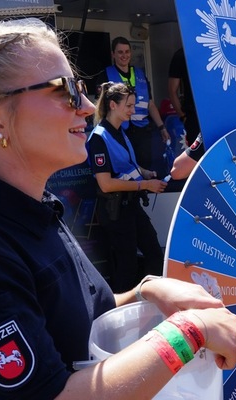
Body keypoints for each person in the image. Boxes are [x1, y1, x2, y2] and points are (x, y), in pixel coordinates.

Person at [0, 20, 236, 399]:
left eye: (81, 90)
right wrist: (188, 333)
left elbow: (81, 318)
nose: (86, 108)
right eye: (65, 91)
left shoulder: (35, 209)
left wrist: (144, 291)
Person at [86, 82, 167, 293]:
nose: (133, 110)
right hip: (115, 212)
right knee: (126, 266)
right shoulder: (98, 138)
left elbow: (126, 164)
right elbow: (105, 183)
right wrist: (145, 184)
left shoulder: (120, 131)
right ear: (113, 105)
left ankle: (152, 299)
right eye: (129, 106)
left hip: (130, 206)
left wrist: (145, 172)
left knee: (154, 254)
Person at [99, 37, 169, 171]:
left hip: (143, 132)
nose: (124, 55)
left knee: (147, 169)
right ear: (113, 54)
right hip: (120, 131)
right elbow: (101, 107)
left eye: (127, 52)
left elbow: (150, 103)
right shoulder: (105, 75)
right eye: (120, 52)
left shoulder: (140, 74)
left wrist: (161, 127)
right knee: (126, 168)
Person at [168, 48, 205, 180]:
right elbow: (172, 90)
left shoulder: (212, 48)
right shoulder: (181, 54)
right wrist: (183, 117)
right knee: (195, 165)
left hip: (211, 115)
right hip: (193, 116)